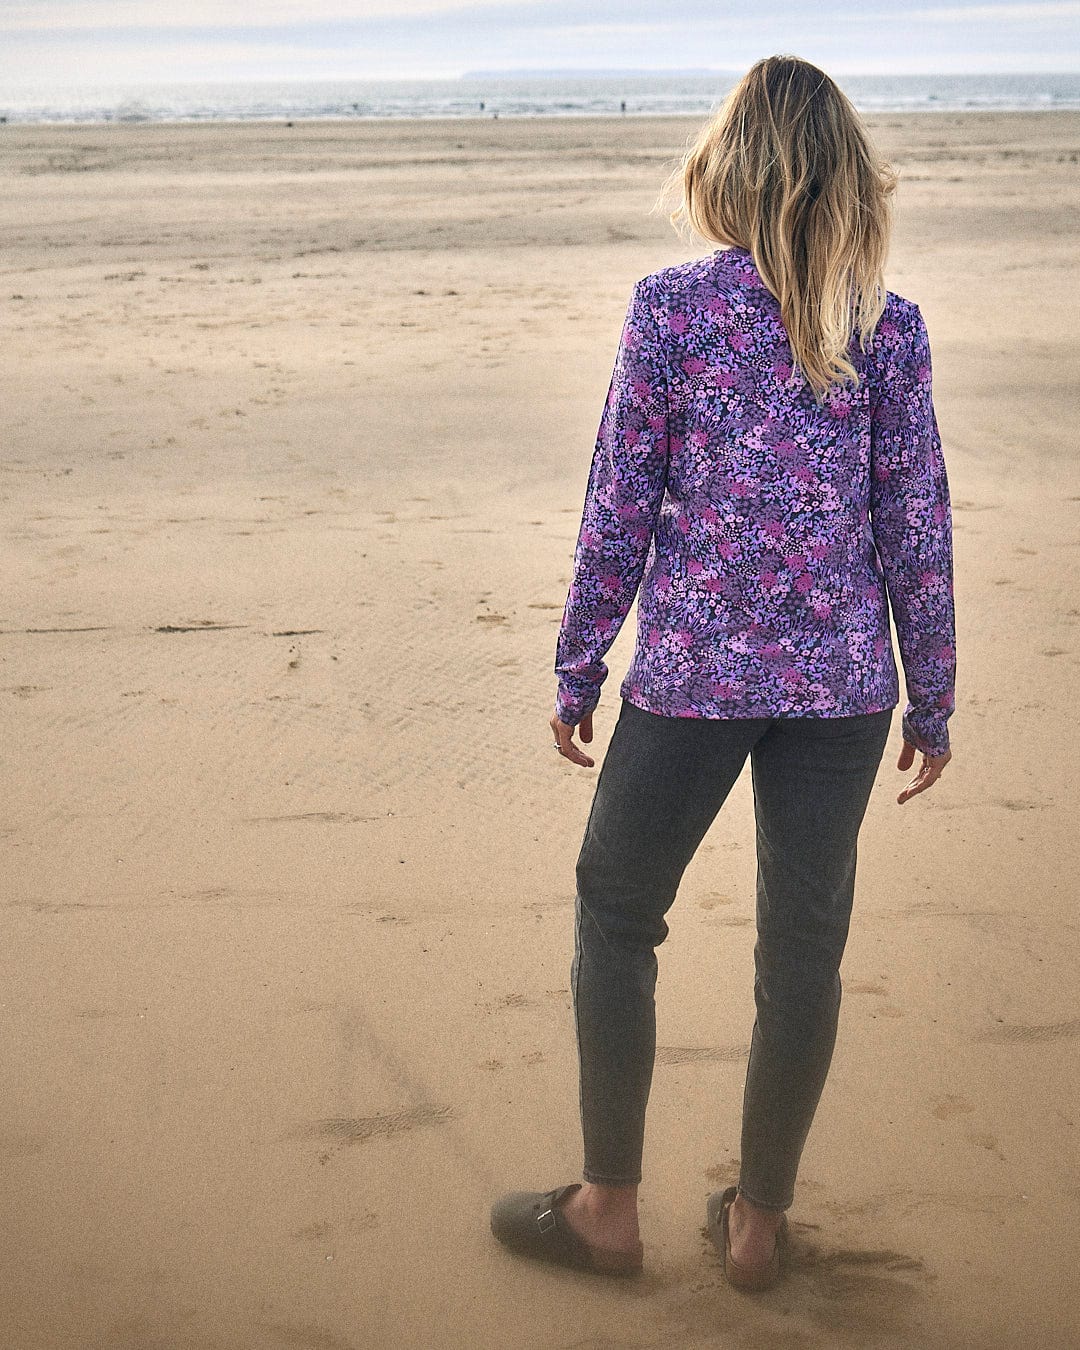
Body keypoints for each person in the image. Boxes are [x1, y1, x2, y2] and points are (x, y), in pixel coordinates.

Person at [490, 53, 956, 1291]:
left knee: (616, 910)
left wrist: (578, 664)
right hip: (844, 690)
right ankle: (755, 1230)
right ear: (846, 183)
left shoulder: (672, 311)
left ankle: (607, 1209)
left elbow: (617, 509)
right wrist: (936, 693)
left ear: (731, 173)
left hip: (693, 677)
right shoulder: (889, 327)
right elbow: (918, 525)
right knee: (802, 947)